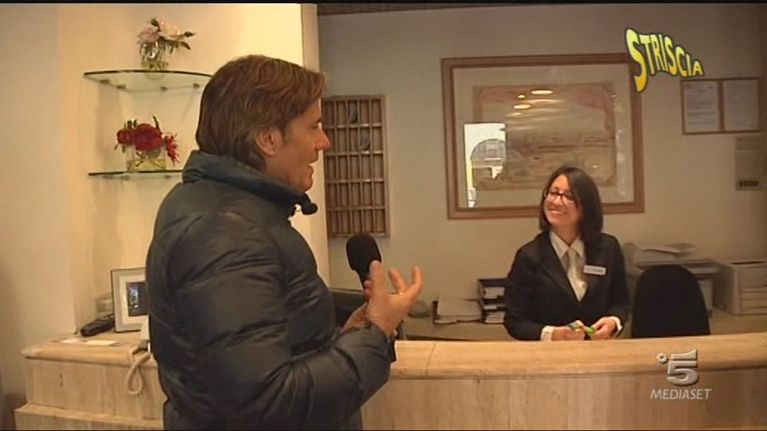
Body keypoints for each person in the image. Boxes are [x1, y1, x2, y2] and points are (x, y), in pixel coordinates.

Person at [146, 54, 423, 430]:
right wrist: (374, 336)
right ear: (268, 139)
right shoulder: (225, 233)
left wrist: (353, 333)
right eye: (314, 126)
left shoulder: (228, 215)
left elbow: (267, 357)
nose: (324, 142)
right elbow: (267, 403)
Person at [503, 165, 630, 341]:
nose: (556, 202)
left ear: (586, 206)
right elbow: (515, 321)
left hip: (598, 349)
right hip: (550, 353)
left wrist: (613, 322)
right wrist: (554, 334)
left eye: (569, 196)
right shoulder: (529, 256)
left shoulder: (608, 248)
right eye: (553, 193)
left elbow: (620, 302)